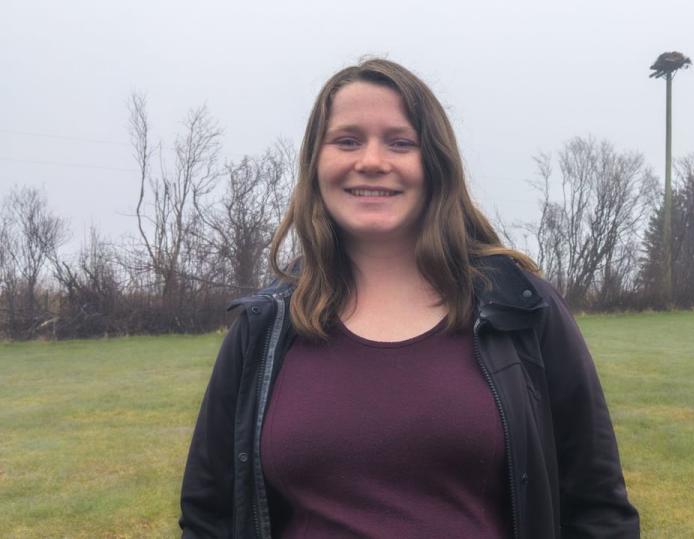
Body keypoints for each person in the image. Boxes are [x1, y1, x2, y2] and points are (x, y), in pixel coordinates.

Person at [179, 58, 639, 538]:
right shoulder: (264, 328)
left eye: (401, 142)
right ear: (316, 162)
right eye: (347, 140)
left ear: (435, 163)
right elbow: (209, 517)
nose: (372, 161)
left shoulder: (522, 310)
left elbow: (598, 511)